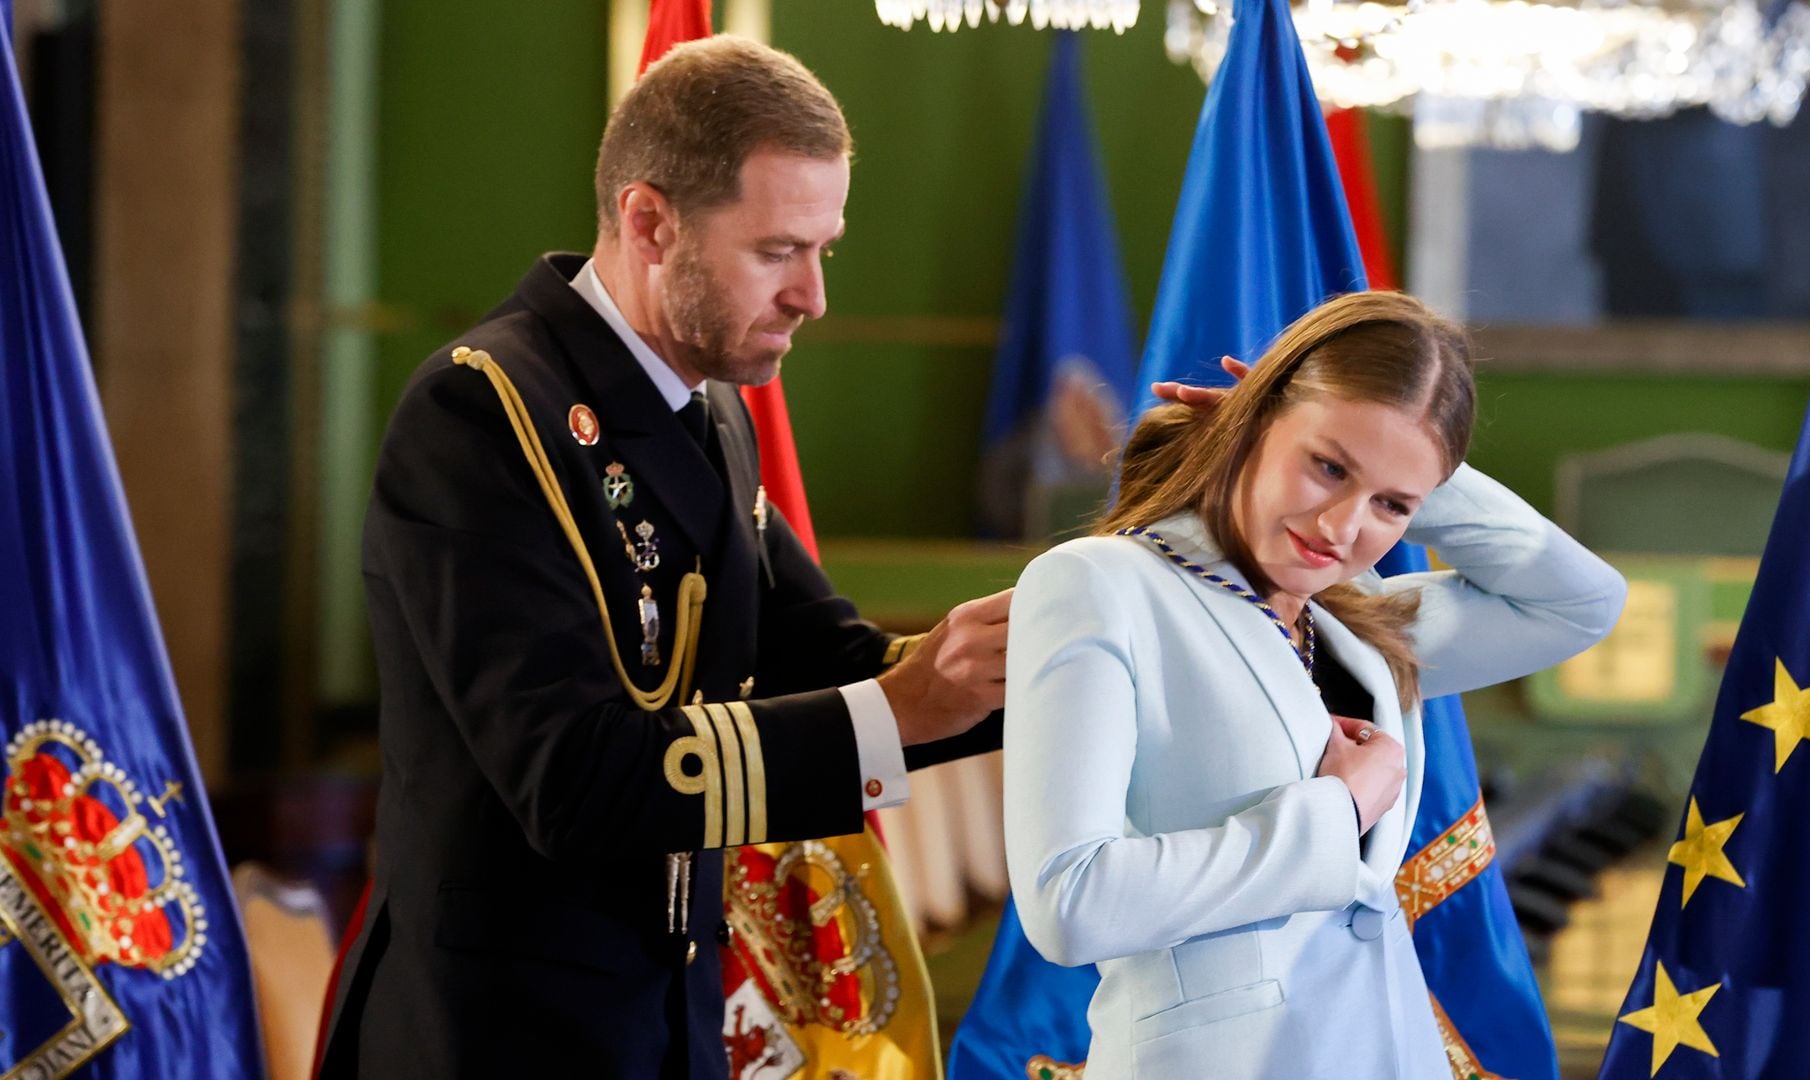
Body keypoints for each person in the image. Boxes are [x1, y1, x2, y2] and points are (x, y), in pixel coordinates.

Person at [316, 36, 1007, 1079]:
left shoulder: (707, 407)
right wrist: (903, 707)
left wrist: (1134, 597)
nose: (814, 295)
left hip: (668, 1017)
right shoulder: (484, 410)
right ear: (649, 221)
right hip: (497, 1036)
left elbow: (835, 658)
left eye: (827, 248)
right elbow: (575, 781)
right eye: (778, 250)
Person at [1003, 291, 1627, 1079]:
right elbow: (1070, 903)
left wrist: (1416, 462)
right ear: (1257, 419)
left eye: (1390, 505)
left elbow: (1582, 603)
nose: (1340, 527)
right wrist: (1335, 816)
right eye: (1326, 465)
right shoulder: (1102, 584)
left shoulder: (1355, 622)